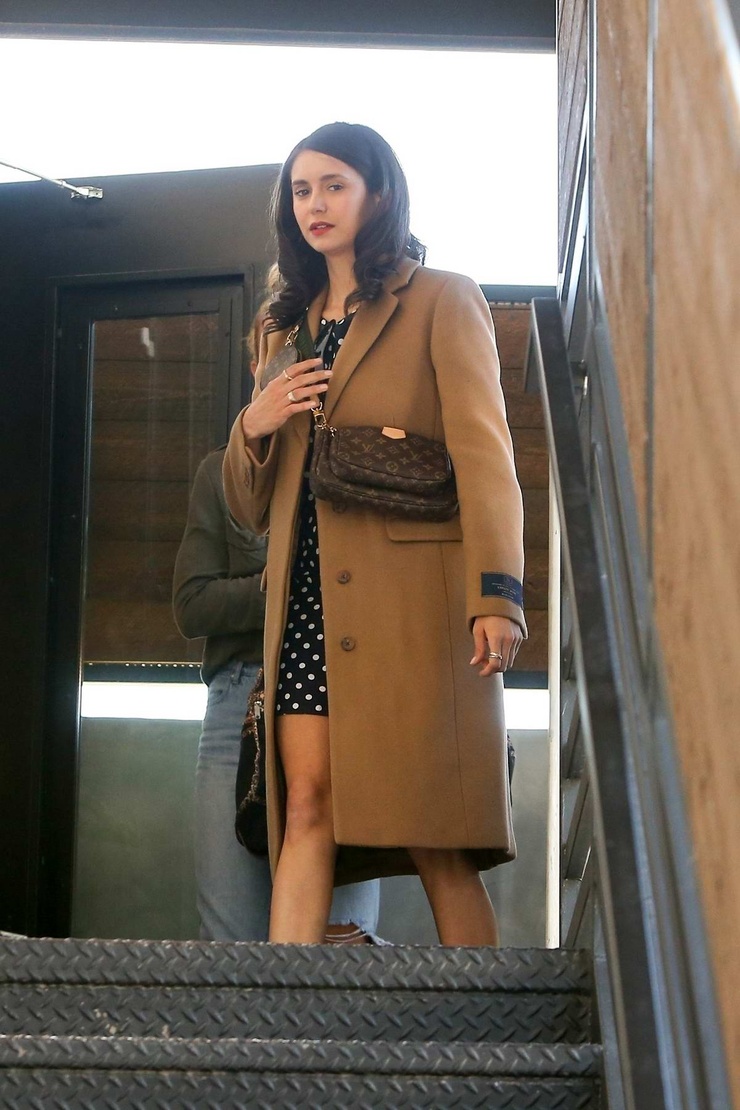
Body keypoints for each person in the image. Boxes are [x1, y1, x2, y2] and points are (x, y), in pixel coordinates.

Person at [223, 121, 526, 947]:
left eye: (335, 185)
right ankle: (284, 1015)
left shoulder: (442, 298)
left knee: (435, 833)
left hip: (414, 606)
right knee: (305, 807)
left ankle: (489, 1019)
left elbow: (485, 457)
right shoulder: (280, 329)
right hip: (307, 603)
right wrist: (253, 424)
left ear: (379, 193)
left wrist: (497, 595)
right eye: (301, 189)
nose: (315, 204)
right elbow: (249, 508)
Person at [172, 306, 381, 943]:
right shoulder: (221, 471)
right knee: (230, 932)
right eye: (278, 356)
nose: (293, 369)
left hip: (344, 692)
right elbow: (192, 604)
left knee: (344, 937)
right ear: (256, 370)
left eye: (305, 355)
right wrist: (285, 586)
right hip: (241, 693)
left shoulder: (361, 463)